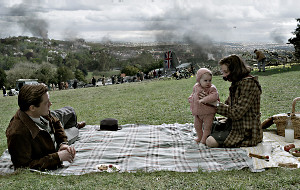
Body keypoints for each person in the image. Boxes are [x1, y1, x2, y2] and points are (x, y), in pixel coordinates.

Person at [6, 83, 86, 171]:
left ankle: (75, 124)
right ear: (32, 107)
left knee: (70, 111)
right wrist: (57, 157)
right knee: (75, 131)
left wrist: (63, 143)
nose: (50, 104)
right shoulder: (18, 134)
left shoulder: (38, 112)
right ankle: (75, 126)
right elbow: (23, 167)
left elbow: (55, 121)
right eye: (46, 103)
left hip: (51, 124)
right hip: (51, 143)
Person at [205, 54, 263, 148]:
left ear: (235, 70)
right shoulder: (237, 83)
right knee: (206, 125)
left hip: (245, 130)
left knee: (210, 141)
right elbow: (228, 105)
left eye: (226, 72)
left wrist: (215, 104)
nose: (224, 75)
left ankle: (224, 137)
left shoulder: (249, 84)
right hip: (233, 124)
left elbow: (236, 113)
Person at [188, 68, 219, 146]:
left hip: (208, 112)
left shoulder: (212, 88)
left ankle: (203, 141)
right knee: (197, 126)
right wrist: (191, 98)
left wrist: (204, 99)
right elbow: (194, 94)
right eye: (205, 81)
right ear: (199, 80)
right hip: (198, 112)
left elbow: (214, 96)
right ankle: (200, 137)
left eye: (210, 80)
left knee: (207, 127)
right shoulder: (196, 87)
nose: (208, 83)